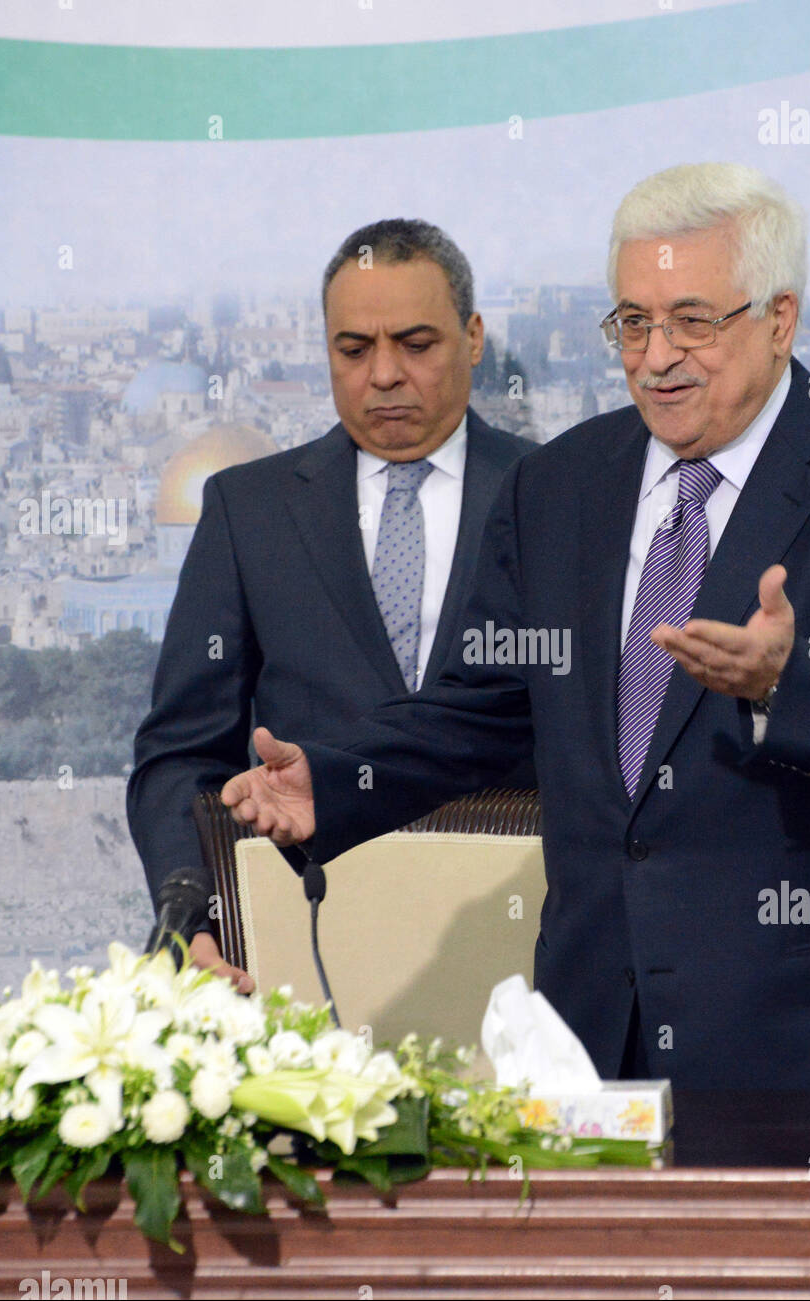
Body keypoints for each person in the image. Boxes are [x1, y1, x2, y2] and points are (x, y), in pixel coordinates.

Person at [220, 163, 810, 1090]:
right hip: (595, 1034)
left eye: (692, 321)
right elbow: (487, 708)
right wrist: (340, 782)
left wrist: (793, 684)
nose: (656, 355)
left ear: (779, 320)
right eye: (633, 322)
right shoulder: (559, 490)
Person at [127, 219, 533, 991]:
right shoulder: (249, 512)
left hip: (527, 953)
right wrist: (198, 922)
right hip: (303, 952)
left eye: (416, 344)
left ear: (473, 338)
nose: (384, 375)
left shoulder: (562, 497)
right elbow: (181, 756)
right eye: (354, 349)